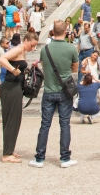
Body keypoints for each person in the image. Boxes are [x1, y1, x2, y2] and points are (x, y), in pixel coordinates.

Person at [29, 20, 79, 168]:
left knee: (45, 125)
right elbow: (75, 69)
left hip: (49, 90)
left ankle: (39, 158)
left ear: (52, 32)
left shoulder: (45, 49)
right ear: (66, 32)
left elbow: (45, 66)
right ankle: (64, 158)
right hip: (64, 92)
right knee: (65, 125)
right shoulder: (71, 49)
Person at [0, 30, 39, 163]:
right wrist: (12, 70)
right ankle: (6, 154)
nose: (32, 48)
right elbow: (1, 59)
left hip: (16, 87)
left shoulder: (23, 51)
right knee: (11, 119)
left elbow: (20, 66)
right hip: (10, 87)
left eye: (34, 46)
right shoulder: (19, 48)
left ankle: (10, 149)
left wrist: (28, 68)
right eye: (31, 45)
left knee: (15, 119)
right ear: (26, 40)